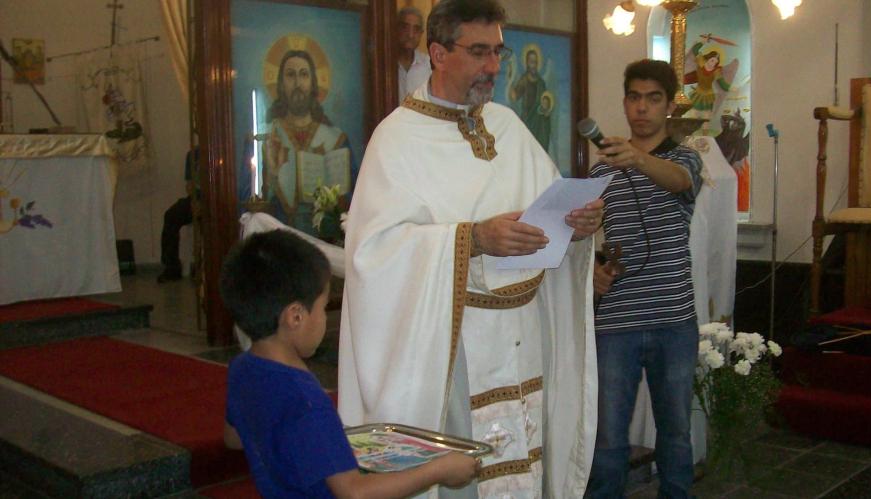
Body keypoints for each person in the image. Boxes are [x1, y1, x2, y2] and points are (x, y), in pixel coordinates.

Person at [338, 1, 603, 497]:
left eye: (498, 52)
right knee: (468, 478)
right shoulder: (396, 139)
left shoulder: (507, 126)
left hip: (524, 339)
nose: (493, 67)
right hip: (451, 344)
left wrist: (581, 225)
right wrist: (473, 239)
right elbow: (374, 254)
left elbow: (549, 214)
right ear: (437, 52)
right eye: (478, 52)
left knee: (526, 461)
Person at [219, 229, 479, 498]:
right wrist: (438, 470)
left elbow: (235, 438)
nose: (324, 317)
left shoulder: (241, 368)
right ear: (295, 316)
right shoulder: (307, 400)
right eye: (322, 307)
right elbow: (355, 493)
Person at [585, 59, 704, 499]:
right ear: (624, 102)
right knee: (609, 438)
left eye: (653, 98)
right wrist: (592, 271)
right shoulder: (601, 172)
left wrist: (636, 158)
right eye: (634, 97)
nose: (642, 108)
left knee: (674, 433)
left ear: (669, 106)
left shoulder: (685, 159)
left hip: (673, 319)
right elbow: (590, 235)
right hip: (616, 320)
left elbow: (677, 182)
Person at [263, 49, 355, 231]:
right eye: (290, 75)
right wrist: (271, 176)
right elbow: (249, 200)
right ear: (280, 84)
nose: (298, 83)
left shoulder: (336, 139)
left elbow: (354, 198)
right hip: (278, 241)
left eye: (304, 75)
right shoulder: (266, 137)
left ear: (313, 83)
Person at [158, 148, 198, 283]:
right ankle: (172, 266)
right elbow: (189, 184)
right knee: (171, 215)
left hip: (216, 198)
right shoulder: (193, 154)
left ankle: (203, 265)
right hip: (197, 198)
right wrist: (193, 197)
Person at [507, 47, 548, 149]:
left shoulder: (541, 82)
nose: (533, 65)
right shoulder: (524, 80)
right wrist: (510, 80)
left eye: (535, 62)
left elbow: (546, 102)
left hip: (539, 123)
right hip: (527, 120)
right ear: (526, 63)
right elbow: (514, 97)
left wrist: (545, 110)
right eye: (531, 62)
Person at [397, 6, 432, 102]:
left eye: (416, 29)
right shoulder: (383, 65)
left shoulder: (429, 65)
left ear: (421, 33)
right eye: (405, 28)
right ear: (396, 28)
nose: (410, 35)